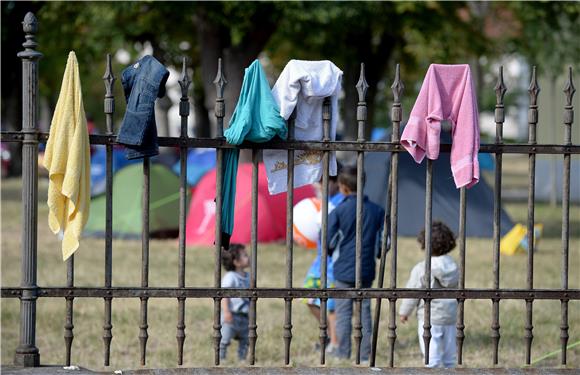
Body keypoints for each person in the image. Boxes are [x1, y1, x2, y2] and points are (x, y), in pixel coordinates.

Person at [327, 165, 385, 361]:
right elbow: (384, 241)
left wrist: (329, 253)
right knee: (364, 313)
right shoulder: (377, 211)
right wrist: (377, 254)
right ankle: (365, 355)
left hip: (343, 270)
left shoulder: (338, 211)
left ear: (342, 187)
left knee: (343, 313)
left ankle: (343, 354)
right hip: (366, 270)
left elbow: (327, 239)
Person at [399, 221, 459, 368]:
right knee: (449, 358)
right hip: (450, 317)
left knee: (431, 358)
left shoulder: (422, 268)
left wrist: (404, 312)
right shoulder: (454, 266)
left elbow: (413, 292)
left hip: (430, 317)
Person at [303, 172, 343, 354]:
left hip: (334, 264)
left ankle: (335, 344)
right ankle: (327, 335)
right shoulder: (324, 202)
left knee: (332, 305)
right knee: (310, 298)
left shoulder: (340, 202)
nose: (319, 186)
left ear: (336, 181)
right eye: (318, 182)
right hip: (319, 263)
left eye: (323, 181)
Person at [220, 244, 250, 361]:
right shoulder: (231, 277)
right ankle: (220, 360)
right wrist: (226, 311)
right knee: (224, 340)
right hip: (232, 315)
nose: (248, 257)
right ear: (236, 262)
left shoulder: (248, 276)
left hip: (245, 316)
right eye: (245, 255)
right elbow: (225, 295)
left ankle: (241, 360)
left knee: (245, 340)